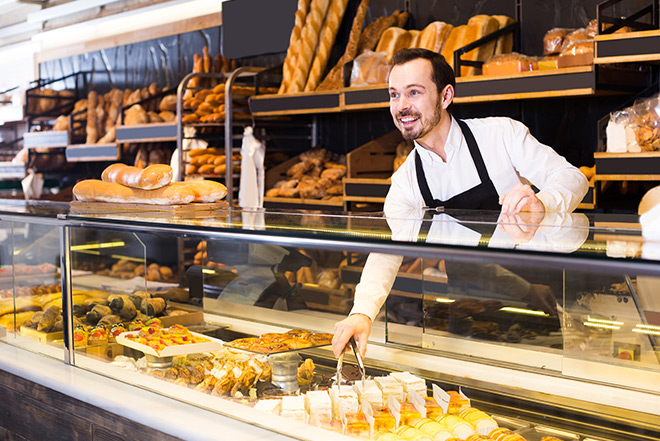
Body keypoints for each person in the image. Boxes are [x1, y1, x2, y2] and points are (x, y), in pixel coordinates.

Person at [332, 48, 588, 358]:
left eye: (414, 92)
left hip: (539, 304)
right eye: (394, 95)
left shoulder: (500, 136)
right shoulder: (405, 183)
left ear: (445, 95)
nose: (402, 106)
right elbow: (388, 253)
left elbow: (573, 178)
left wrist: (542, 202)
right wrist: (362, 312)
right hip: (470, 314)